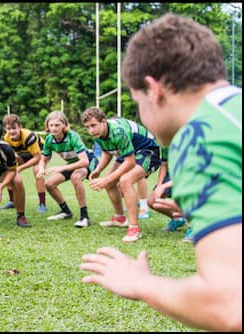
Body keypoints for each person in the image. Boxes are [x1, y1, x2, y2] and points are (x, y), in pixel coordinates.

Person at [80, 14, 241, 331]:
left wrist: (141, 283)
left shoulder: (200, 136)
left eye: (136, 100)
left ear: (153, 90)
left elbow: (230, 304)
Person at [81, 107, 160, 242]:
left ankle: (134, 229)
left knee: (125, 180)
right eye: (87, 127)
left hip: (148, 150)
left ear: (104, 121)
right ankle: (120, 218)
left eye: (93, 125)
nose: (91, 130)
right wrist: (99, 170)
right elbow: (107, 152)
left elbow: (129, 162)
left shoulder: (117, 131)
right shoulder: (98, 134)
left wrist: (106, 179)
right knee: (110, 182)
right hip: (128, 151)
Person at [37, 111, 99, 227]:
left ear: (64, 125)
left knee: (75, 177)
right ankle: (66, 211)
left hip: (89, 160)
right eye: (51, 125)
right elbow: (44, 159)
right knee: (49, 184)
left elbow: (84, 161)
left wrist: (61, 167)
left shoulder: (73, 136)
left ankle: (84, 217)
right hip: (72, 163)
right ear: (47, 126)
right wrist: (41, 169)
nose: (54, 128)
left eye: (57, 125)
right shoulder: (49, 140)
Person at [2, 113, 48, 213]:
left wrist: (20, 168)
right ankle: (12, 200)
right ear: (5, 129)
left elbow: (37, 158)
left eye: (14, 128)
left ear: (20, 127)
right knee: (7, 170)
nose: (11, 131)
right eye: (9, 128)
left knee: (37, 171)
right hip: (24, 155)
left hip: (41, 153)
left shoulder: (29, 136)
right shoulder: (6, 138)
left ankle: (42, 204)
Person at [147, 146, 190, 241]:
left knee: (186, 200)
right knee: (152, 201)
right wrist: (159, 186)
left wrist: (164, 186)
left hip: (190, 175)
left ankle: (194, 227)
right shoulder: (165, 143)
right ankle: (178, 219)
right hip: (173, 175)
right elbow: (164, 165)